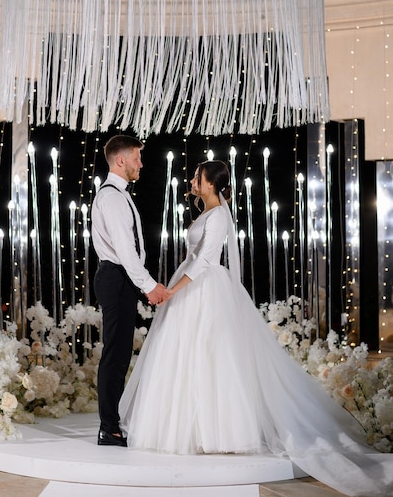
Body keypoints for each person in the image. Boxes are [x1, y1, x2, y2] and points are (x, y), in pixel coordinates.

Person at [120, 160, 393, 496]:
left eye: (197, 177)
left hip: (204, 288)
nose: (191, 181)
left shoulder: (219, 215)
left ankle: (219, 431)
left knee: (211, 356)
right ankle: (185, 427)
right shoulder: (206, 213)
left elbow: (206, 260)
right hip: (191, 285)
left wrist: (173, 290)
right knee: (184, 355)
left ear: (211, 184)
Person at [91, 135, 169, 447]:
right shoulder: (111, 197)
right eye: (136, 157)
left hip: (122, 278)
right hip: (116, 277)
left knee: (122, 352)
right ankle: (108, 428)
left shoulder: (119, 194)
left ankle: (114, 422)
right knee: (115, 354)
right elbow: (125, 250)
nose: (141, 163)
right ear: (120, 160)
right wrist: (149, 286)